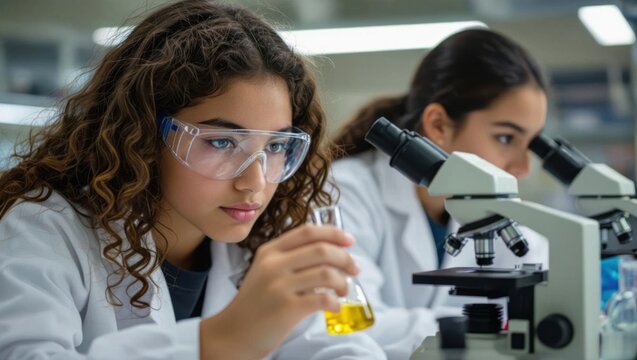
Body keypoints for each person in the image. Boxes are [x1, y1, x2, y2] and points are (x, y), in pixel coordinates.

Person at [0, 1, 386, 359]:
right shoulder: (46, 230)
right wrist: (219, 341)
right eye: (221, 142)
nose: (254, 183)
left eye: (275, 147)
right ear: (143, 136)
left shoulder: (265, 237)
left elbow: (338, 348)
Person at [330, 28, 549, 358]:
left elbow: (541, 295)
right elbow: (347, 323)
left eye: (531, 144)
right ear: (439, 125)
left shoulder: (491, 208)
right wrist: (472, 333)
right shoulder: (346, 193)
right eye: (506, 138)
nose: (523, 166)